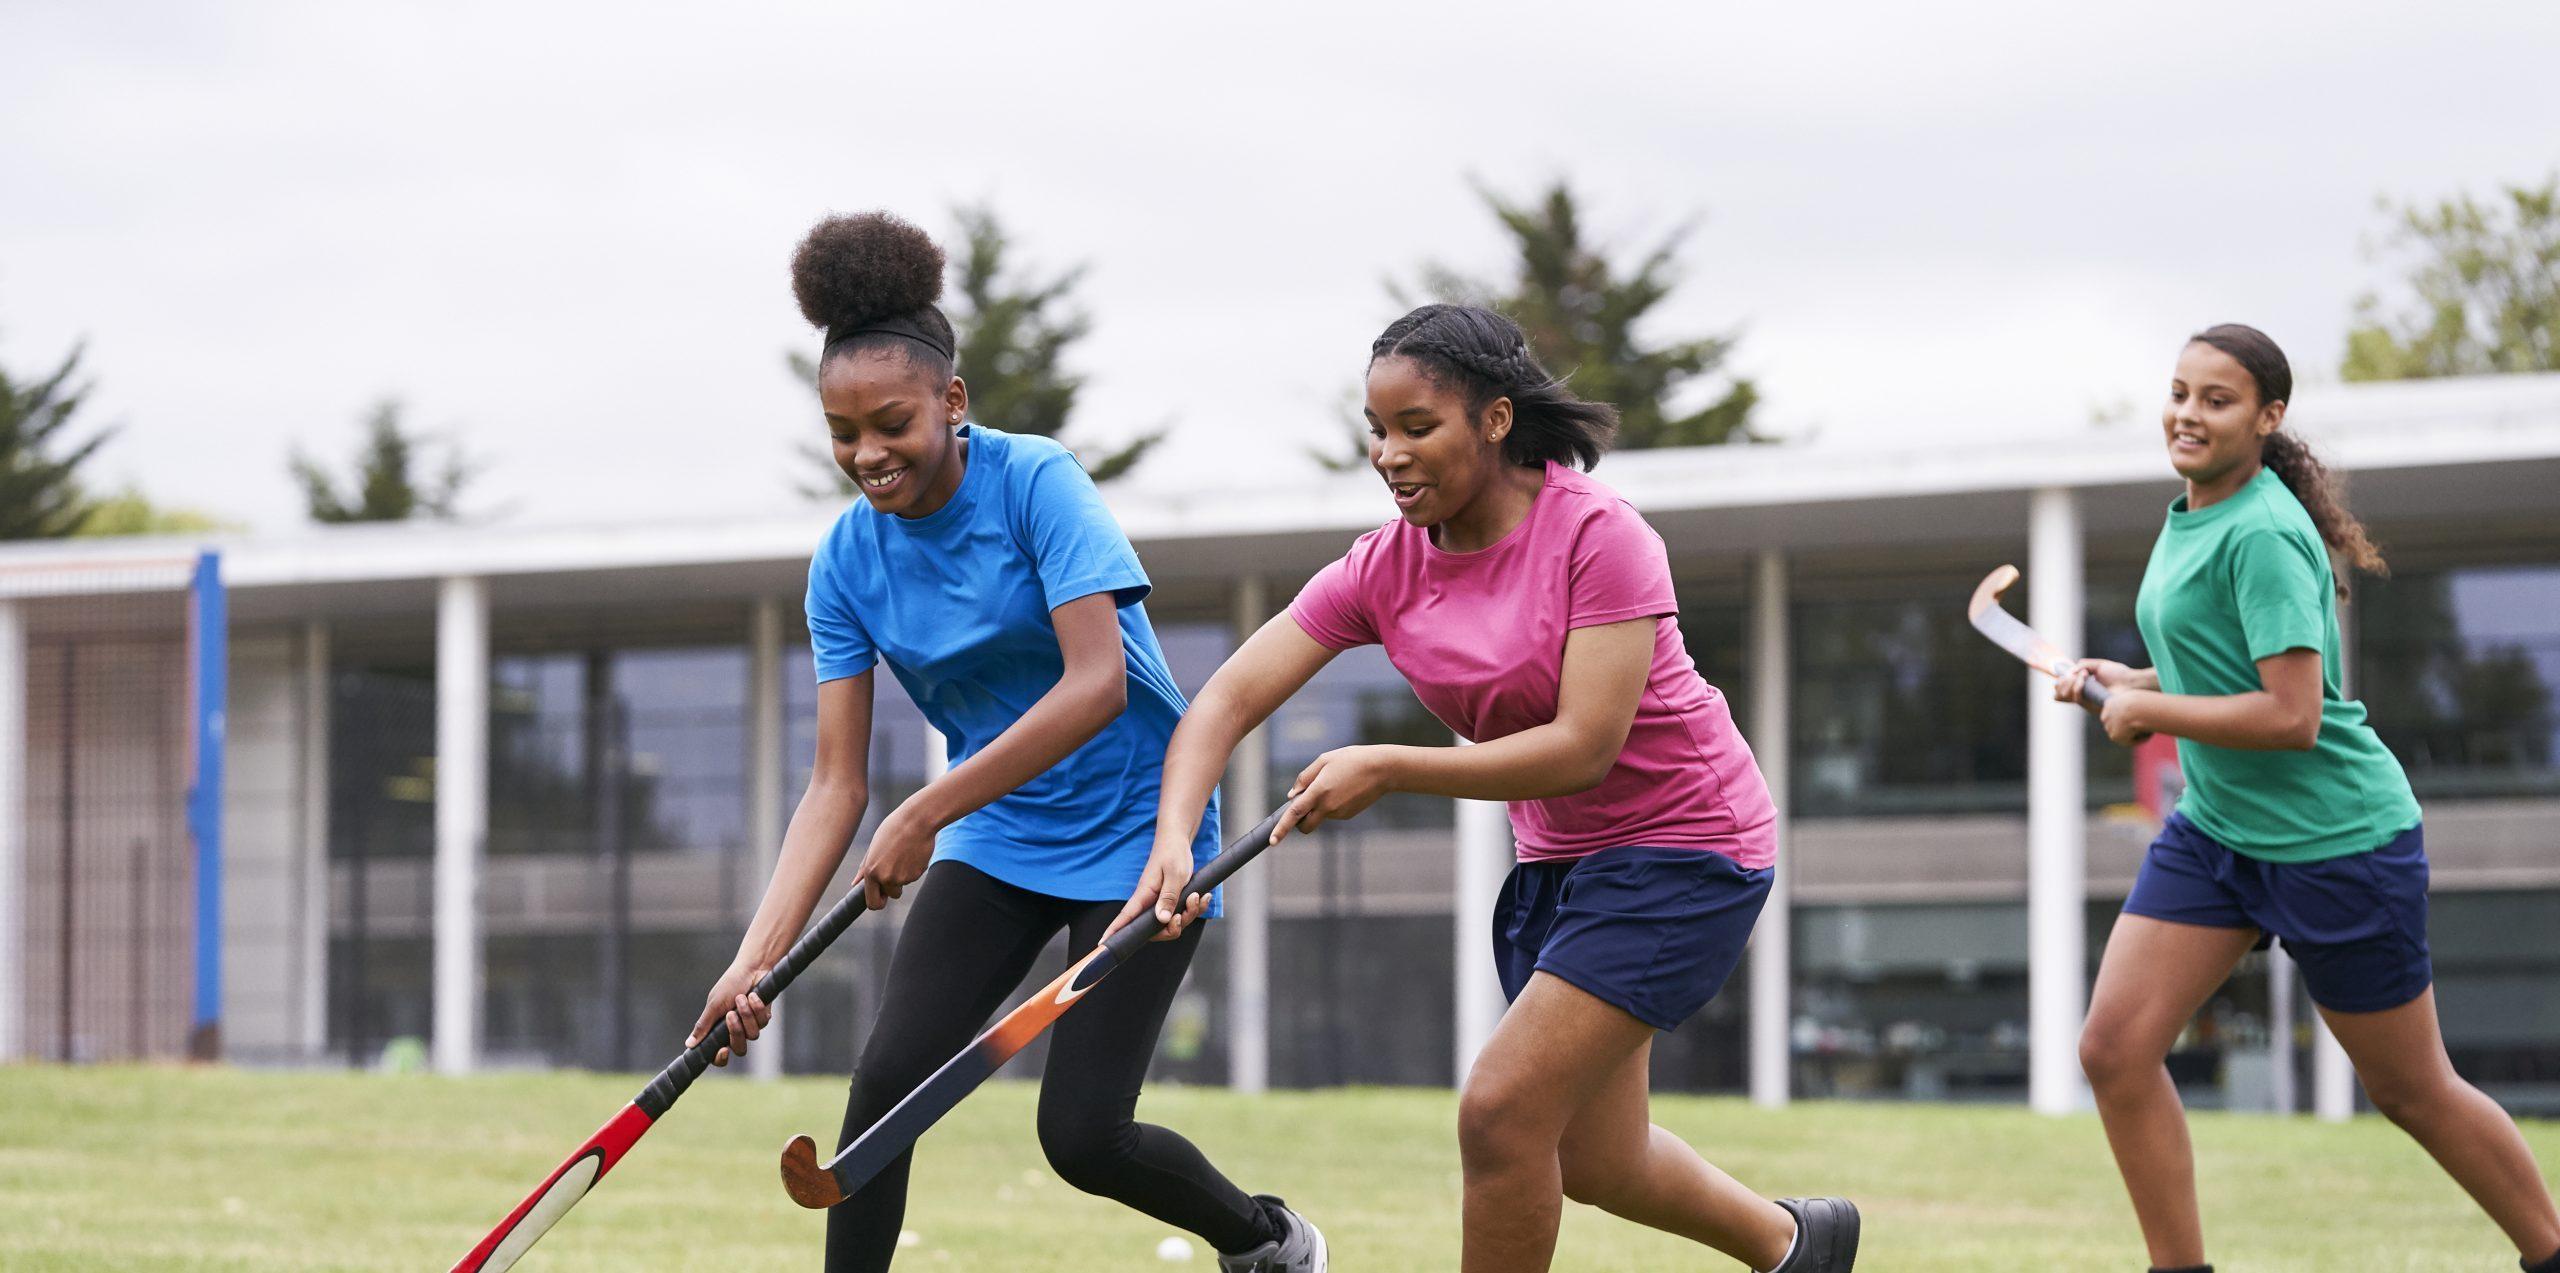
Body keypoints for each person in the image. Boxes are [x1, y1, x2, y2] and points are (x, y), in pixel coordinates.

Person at [1117, 303, 1858, 1272]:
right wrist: (1175, 836)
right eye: (1377, 432)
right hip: (1559, 863)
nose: (1388, 454)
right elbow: (1220, 702)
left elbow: (1581, 747)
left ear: (1496, 420)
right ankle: (1797, 1246)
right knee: (1598, 1158)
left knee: (1500, 1110)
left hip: (1686, 846)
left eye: (1416, 427)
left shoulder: (1600, 537)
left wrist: (1388, 767)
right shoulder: (1382, 568)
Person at [687, 211, 1324, 1273]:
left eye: (890, 422)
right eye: (842, 433)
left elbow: (1097, 685)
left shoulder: (1036, 484)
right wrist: (751, 963)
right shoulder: (844, 562)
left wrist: (927, 808)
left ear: (951, 399)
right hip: (999, 840)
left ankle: (1269, 1243)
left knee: (1082, 1137)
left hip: (1139, 832)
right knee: (885, 1089)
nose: (866, 454)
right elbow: (835, 783)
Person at [2061, 324, 2560, 1273]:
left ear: (2268, 416)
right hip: (2217, 833)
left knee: (2411, 1091)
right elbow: (2214, 655)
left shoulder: (2265, 530)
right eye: (2180, 391)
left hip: (2337, 843)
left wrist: (2145, 709)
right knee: (2116, 1050)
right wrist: (2123, 673)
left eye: (2218, 399)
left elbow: (2291, 713)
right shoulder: (2192, 511)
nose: (2188, 414)